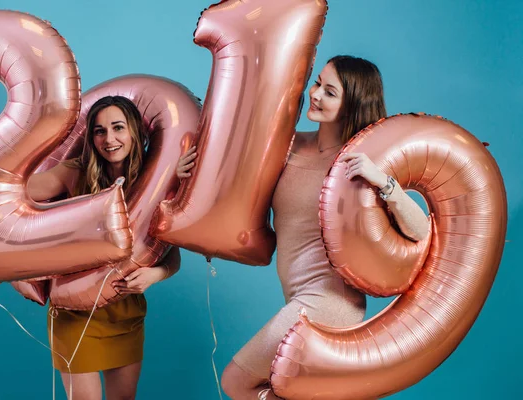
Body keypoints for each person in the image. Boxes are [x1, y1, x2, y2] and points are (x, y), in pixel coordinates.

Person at [177, 55, 429, 399]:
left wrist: (384, 183)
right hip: (296, 296)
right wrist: (187, 176)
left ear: (351, 104)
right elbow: (235, 187)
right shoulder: (289, 144)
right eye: (317, 83)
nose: (315, 95)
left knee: (237, 382)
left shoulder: (361, 159)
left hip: (331, 302)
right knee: (284, 391)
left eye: (330, 92)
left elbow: (418, 231)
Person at [0, 96, 181, 400]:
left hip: (126, 313)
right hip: (74, 314)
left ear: (135, 131)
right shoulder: (73, 172)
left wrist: (154, 275)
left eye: (118, 128)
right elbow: (10, 194)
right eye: (99, 131)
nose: (109, 139)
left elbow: (172, 255)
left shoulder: (153, 180)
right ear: (90, 137)